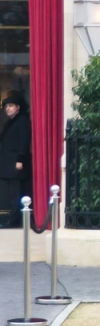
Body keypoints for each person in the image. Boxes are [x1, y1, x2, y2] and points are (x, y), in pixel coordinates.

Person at [0, 91, 32, 227]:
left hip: (15, 164)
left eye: (11, 106)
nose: (8, 108)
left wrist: (20, 160)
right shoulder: (11, 122)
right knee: (14, 193)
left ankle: (14, 220)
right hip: (9, 163)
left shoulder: (23, 120)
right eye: (6, 106)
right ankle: (15, 219)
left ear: (18, 107)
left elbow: (24, 142)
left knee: (16, 194)